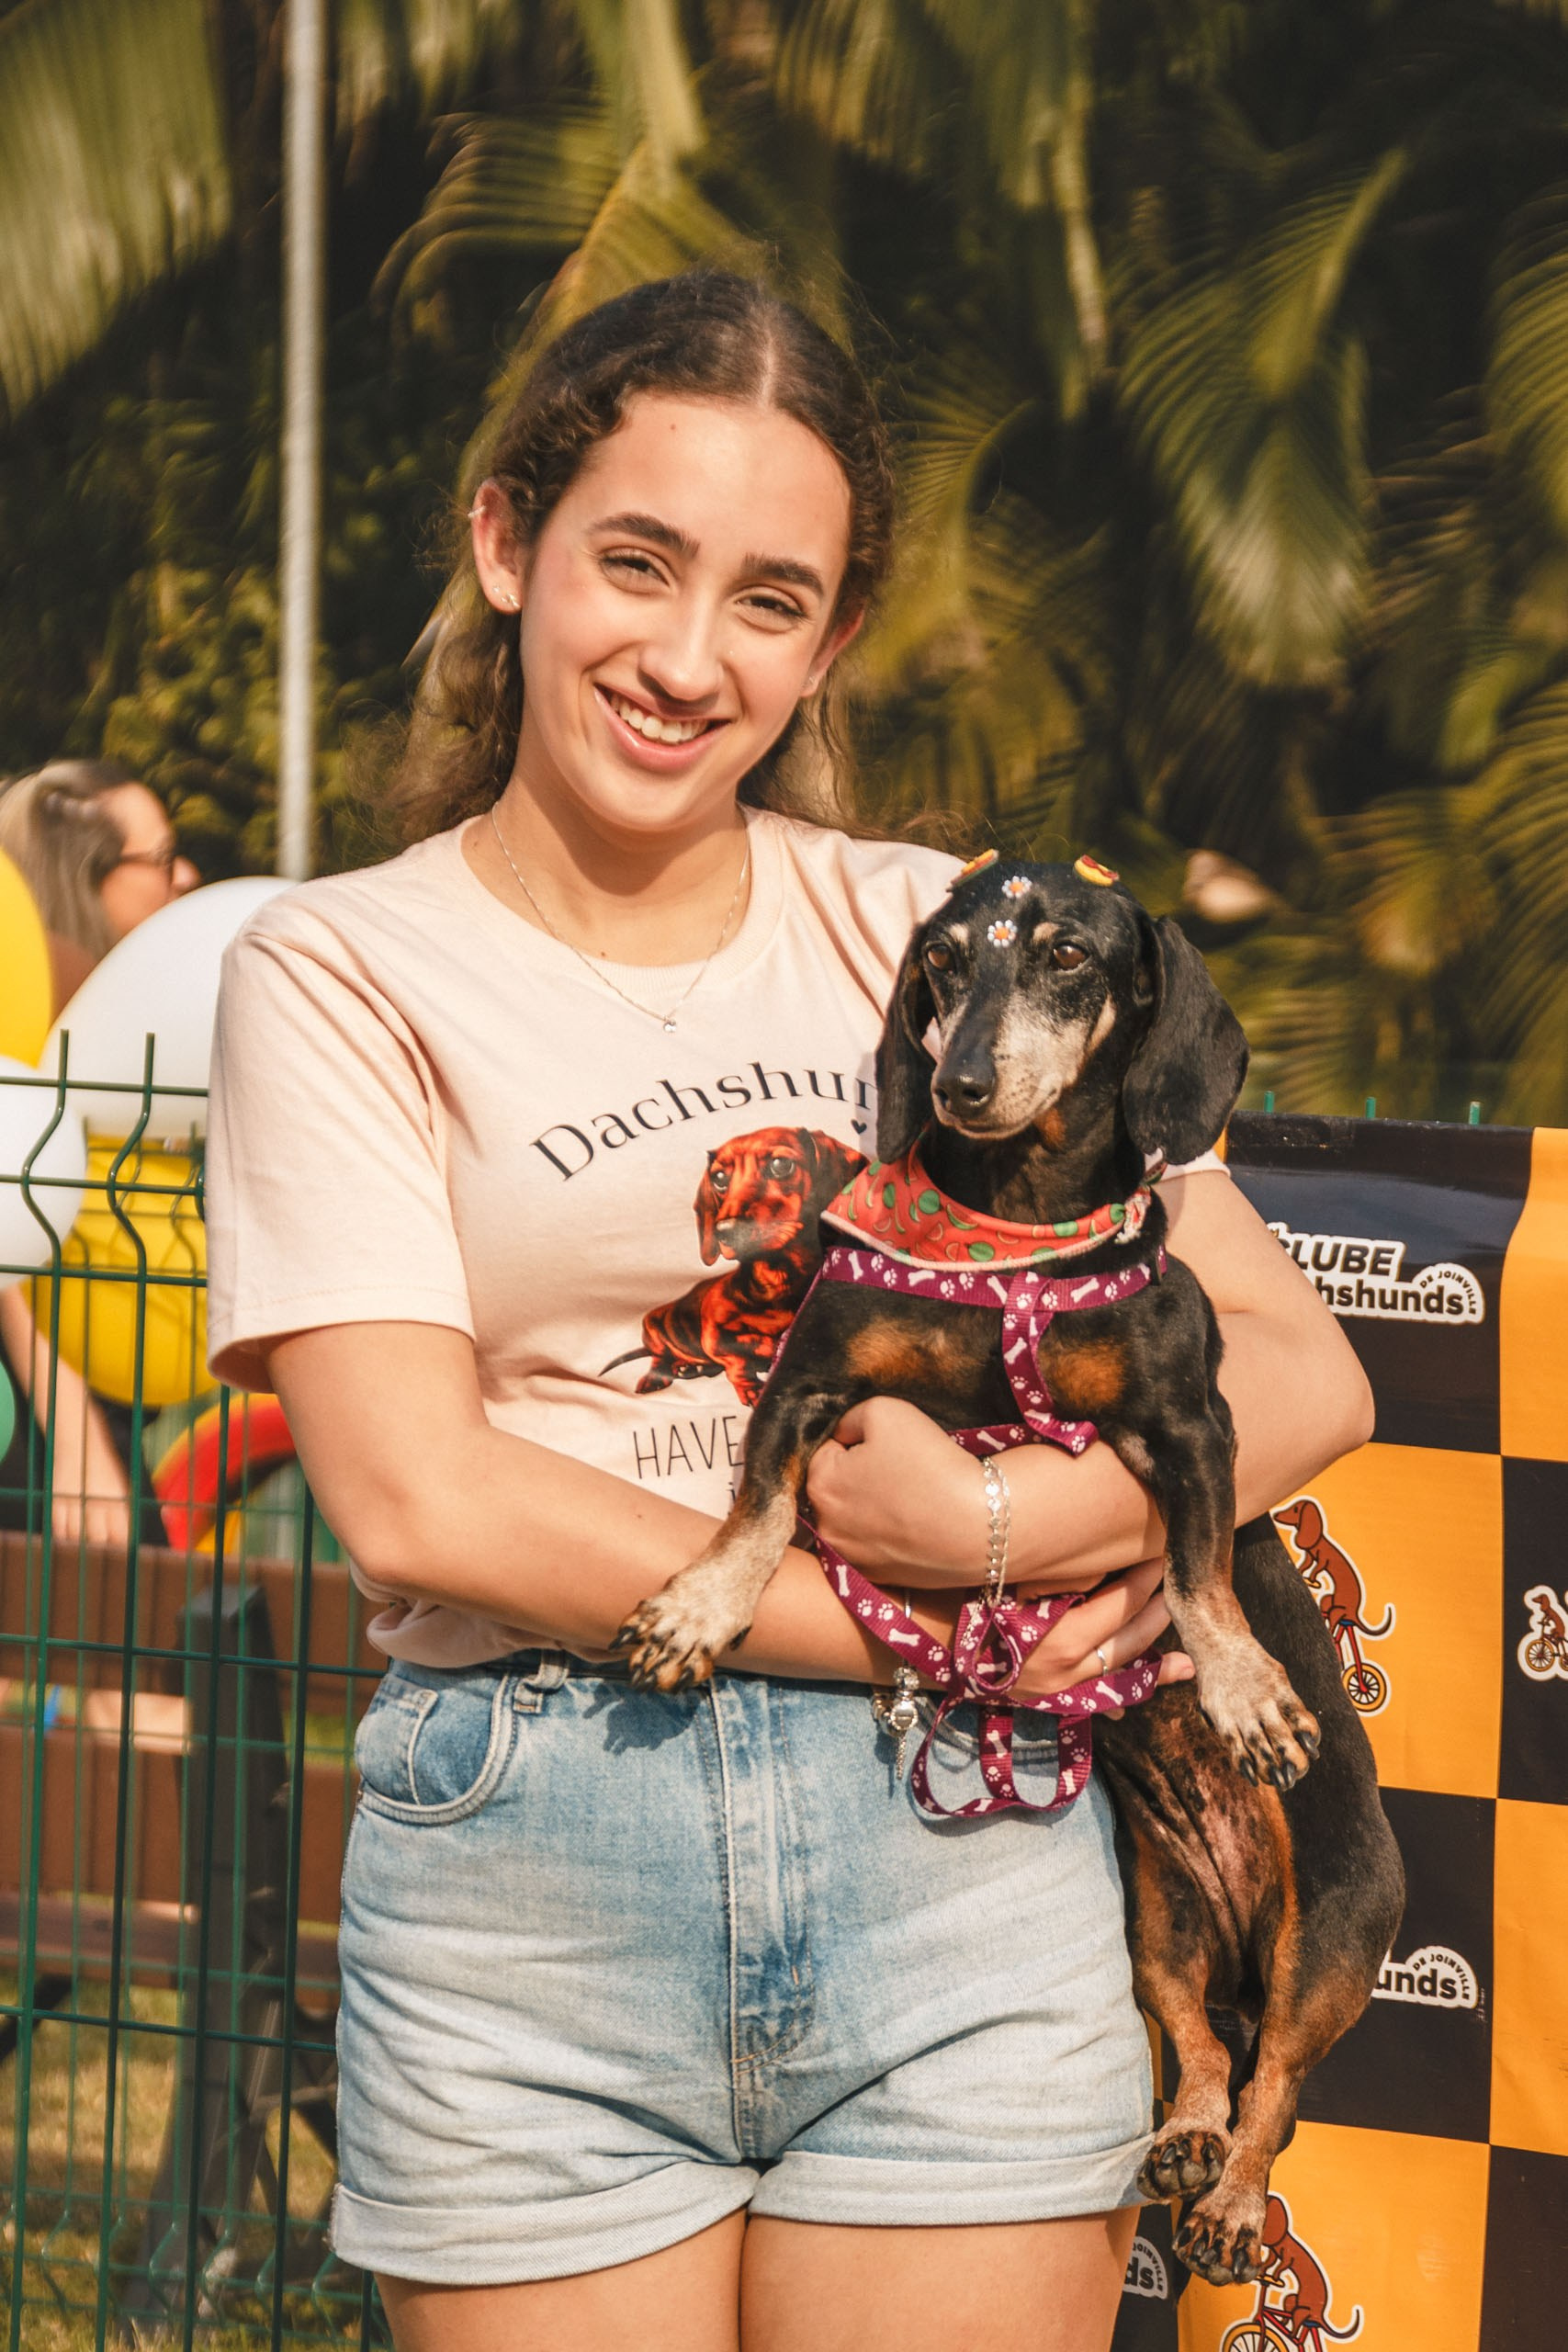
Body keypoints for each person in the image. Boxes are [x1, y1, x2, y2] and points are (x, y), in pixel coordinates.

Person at [203, 273, 1373, 2352]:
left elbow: (1293, 1361)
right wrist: (957, 1608)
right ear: (506, 546)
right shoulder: (336, 964)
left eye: (766, 596)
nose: (681, 655)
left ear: (829, 638)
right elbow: (418, 1500)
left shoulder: (928, 930)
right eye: (631, 562)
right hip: (538, 1866)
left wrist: (1053, 1538)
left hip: (962, 1857)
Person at [0, 759, 198, 1544]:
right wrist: (77, 1445)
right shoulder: (34, 1024)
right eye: (159, 858)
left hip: (87, 1413)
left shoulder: (125, 1034)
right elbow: (12, 1245)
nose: (184, 875)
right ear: (84, 879)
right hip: (37, 1423)